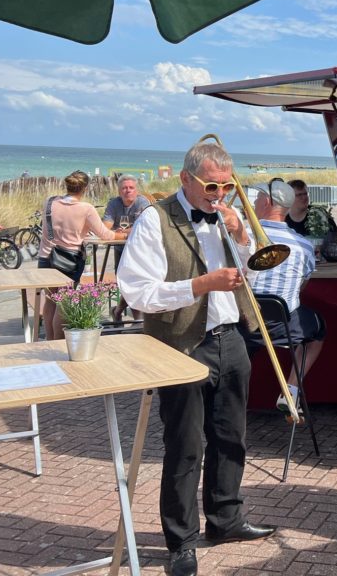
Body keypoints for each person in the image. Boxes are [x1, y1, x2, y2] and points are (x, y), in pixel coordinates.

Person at [117, 141, 276, 576]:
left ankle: (225, 520)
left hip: (231, 338)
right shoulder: (155, 219)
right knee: (185, 446)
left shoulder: (227, 213)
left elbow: (251, 271)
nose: (219, 194)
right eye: (210, 185)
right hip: (182, 344)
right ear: (185, 179)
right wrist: (199, 285)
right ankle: (181, 540)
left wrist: (242, 237)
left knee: (231, 438)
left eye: (225, 185)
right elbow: (135, 291)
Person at [244, 179, 323, 413]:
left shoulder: (241, 237)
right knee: (318, 332)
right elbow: (301, 287)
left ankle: (238, 395)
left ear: (268, 202)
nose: (254, 202)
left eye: (257, 198)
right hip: (283, 327)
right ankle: (291, 389)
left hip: (243, 325)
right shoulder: (303, 246)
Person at [38, 170, 125, 340]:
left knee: (49, 301)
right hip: (67, 262)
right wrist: (126, 235)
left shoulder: (49, 202)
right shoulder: (86, 208)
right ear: (84, 188)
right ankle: (59, 343)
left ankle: (48, 341)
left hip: (45, 258)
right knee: (64, 304)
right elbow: (106, 234)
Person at [102, 174, 151, 322]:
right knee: (125, 284)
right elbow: (105, 226)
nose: (127, 190)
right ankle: (121, 313)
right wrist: (119, 233)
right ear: (119, 191)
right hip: (120, 249)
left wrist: (119, 232)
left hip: (140, 251)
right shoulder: (114, 203)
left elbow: (143, 226)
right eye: (124, 188)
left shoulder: (143, 202)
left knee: (136, 283)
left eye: (131, 188)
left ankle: (132, 318)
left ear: (136, 190)